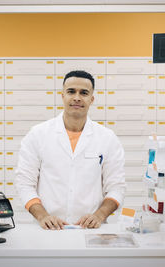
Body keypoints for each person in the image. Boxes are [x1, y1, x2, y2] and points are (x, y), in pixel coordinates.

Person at [15, 70, 125, 230]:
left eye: (84, 93)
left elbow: (117, 187)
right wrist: (43, 216)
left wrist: (99, 216)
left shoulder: (107, 138)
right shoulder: (38, 134)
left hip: (91, 229)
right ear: (62, 96)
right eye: (71, 91)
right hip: (47, 229)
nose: (77, 98)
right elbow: (24, 183)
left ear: (92, 99)